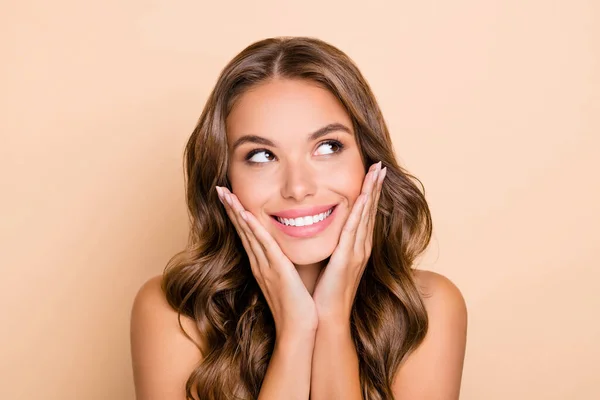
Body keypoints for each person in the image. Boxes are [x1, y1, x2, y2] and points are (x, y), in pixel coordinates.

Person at [130, 36, 467, 400]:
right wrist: (296, 331)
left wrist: (333, 323)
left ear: (368, 160)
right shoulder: (172, 313)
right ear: (224, 178)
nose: (298, 187)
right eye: (261, 156)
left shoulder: (428, 309)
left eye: (328, 147)